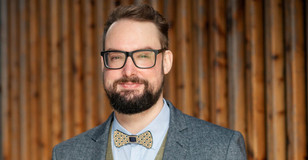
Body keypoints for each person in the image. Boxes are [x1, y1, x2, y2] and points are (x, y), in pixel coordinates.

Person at [52, 4, 247, 160]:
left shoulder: (222, 150)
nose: (128, 71)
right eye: (117, 57)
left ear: (166, 62)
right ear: (103, 64)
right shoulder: (66, 155)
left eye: (143, 56)